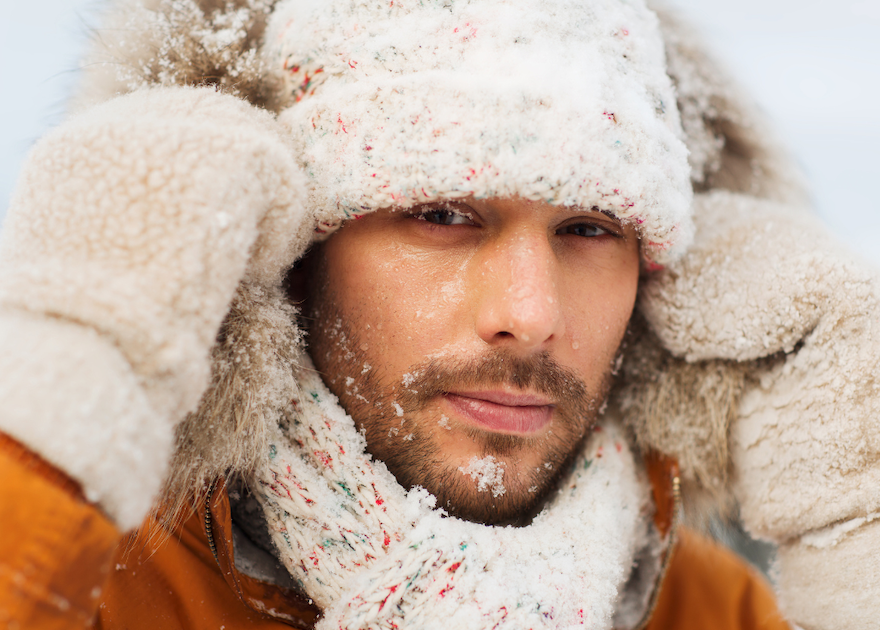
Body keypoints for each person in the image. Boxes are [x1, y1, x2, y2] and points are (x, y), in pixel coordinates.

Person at [1, 0, 878, 628]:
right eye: (444, 215)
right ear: (287, 253)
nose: (531, 316)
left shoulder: (710, 610)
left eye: (588, 227)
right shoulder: (80, 569)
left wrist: (857, 527)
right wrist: (72, 372)